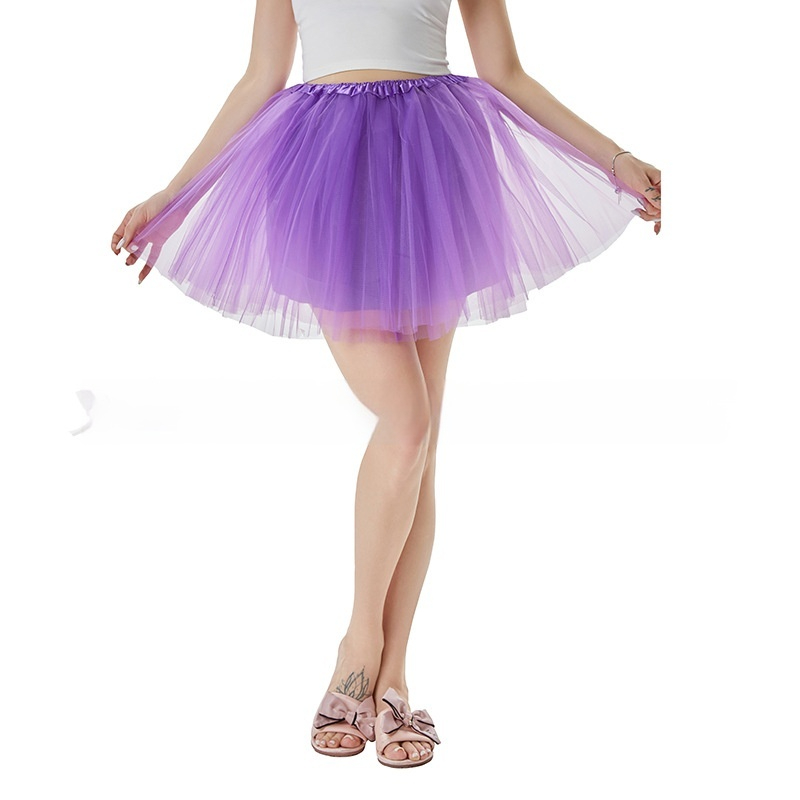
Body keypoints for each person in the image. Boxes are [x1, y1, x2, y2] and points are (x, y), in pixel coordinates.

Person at [110, 0, 661, 768]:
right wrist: (175, 194)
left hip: (437, 166)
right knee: (407, 422)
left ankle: (392, 676)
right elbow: (260, 77)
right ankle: (359, 646)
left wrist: (614, 156)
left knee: (420, 445)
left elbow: (505, 71)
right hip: (328, 172)